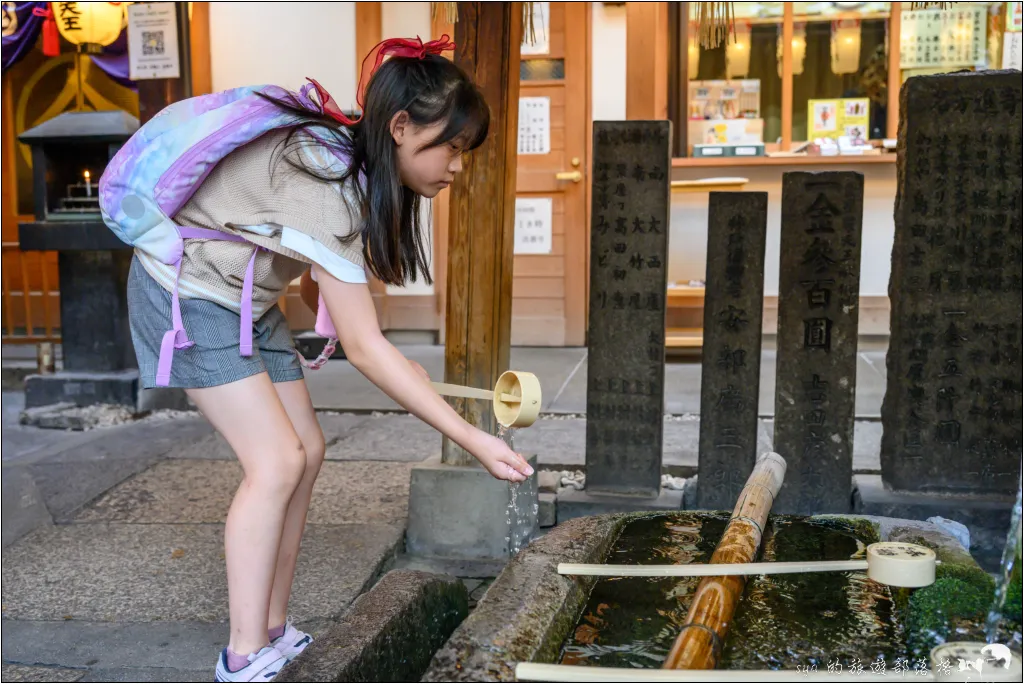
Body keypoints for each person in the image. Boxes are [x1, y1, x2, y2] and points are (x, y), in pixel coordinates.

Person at [121, 37, 533, 682]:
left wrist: (406, 371)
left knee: (306, 450)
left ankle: (273, 630)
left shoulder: (345, 163)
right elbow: (367, 349)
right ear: (401, 127)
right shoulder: (329, 181)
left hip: (244, 302)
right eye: (449, 147)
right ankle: (241, 655)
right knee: (276, 461)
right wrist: (474, 439)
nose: (456, 166)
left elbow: (318, 280)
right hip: (188, 298)